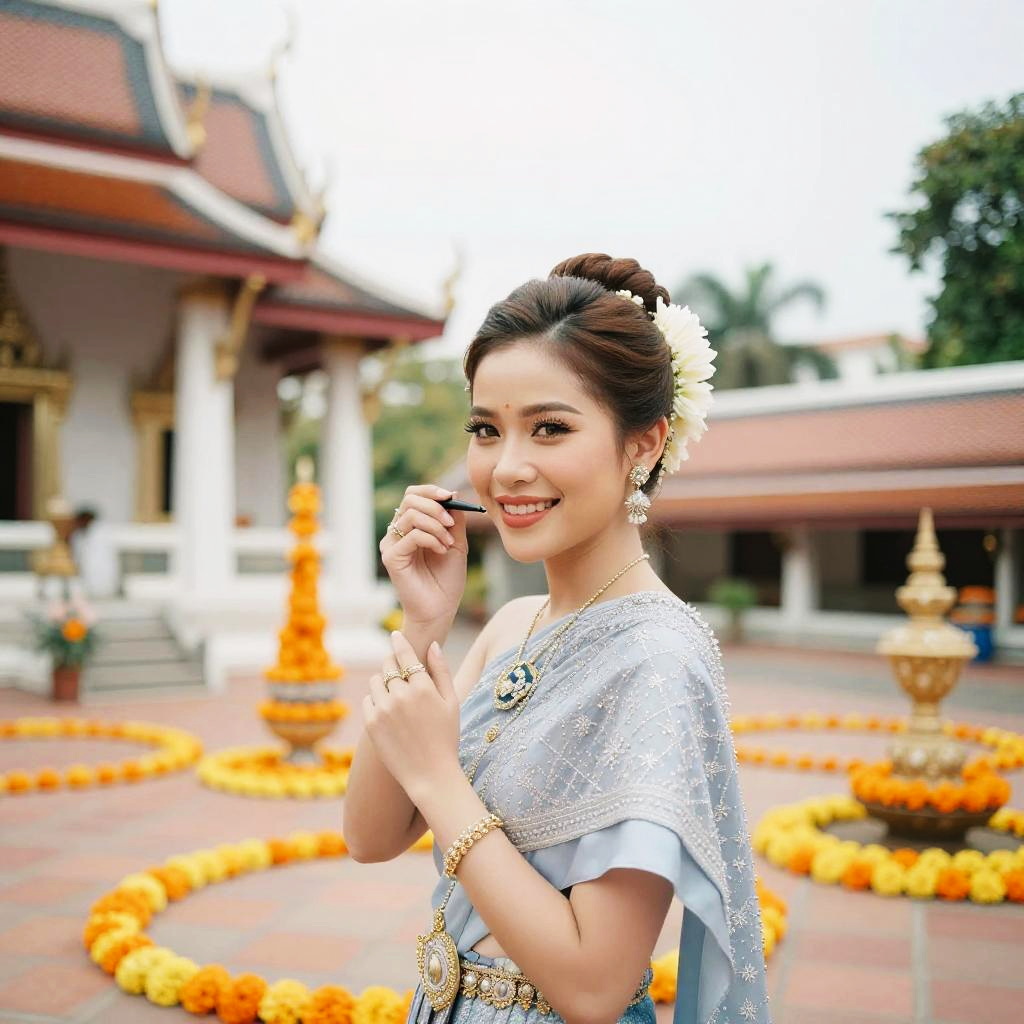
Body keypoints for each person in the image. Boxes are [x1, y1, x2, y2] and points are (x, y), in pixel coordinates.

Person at [344, 254, 770, 1024]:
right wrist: (424, 622)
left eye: (550, 428)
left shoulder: (656, 658)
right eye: (486, 429)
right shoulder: (512, 625)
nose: (507, 468)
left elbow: (595, 986)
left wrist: (441, 779)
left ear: (643, 444)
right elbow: (370, 835)